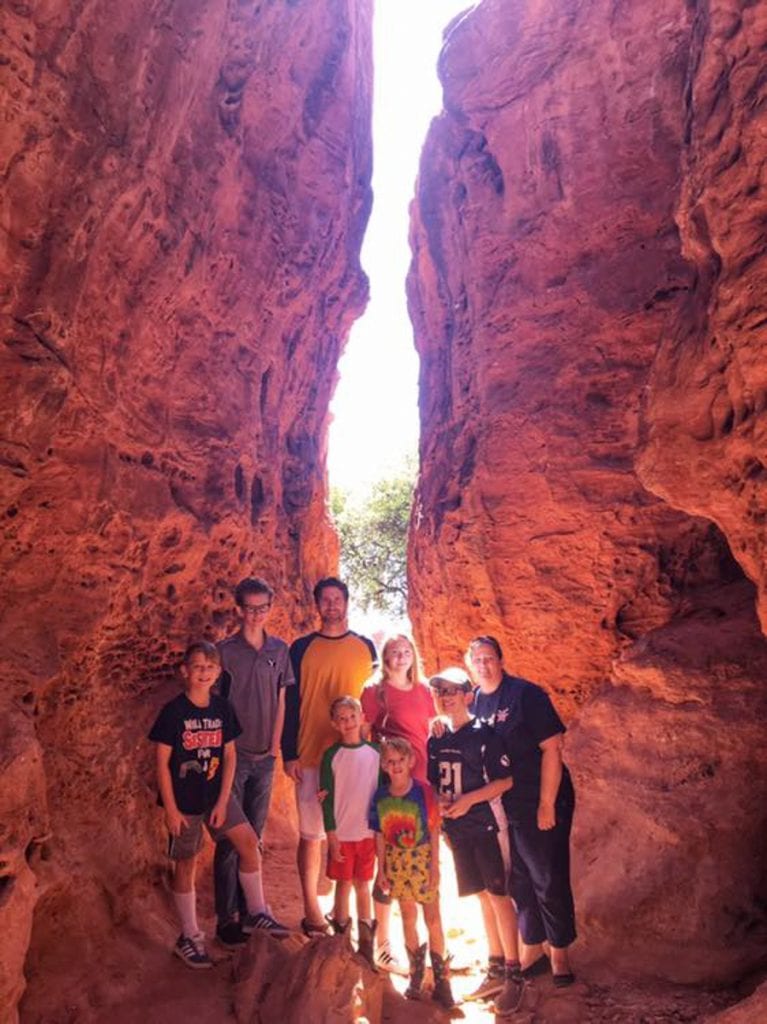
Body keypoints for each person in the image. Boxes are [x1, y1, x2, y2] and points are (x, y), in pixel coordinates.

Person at [148, 642, 288, 969]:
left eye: (210, 667)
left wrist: (225, 799)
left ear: (218, 672)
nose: (204, 672)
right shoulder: (174, 712)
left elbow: (229, 755)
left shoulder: (222, 708)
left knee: (249, 843)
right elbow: (162, 762)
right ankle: (189, 936)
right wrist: (170, 808)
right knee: (186, 864)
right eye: (197, 667)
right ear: (185, 671)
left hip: (215, 797)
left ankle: (256, 912)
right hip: (183, 803)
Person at [467, 635, 577, 986]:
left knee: (546, 874)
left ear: (500, 659)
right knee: (519, 880)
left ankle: (560, 953)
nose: (483, 664)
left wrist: (546, 804)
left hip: (539, 797)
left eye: (489, 657)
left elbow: (551, 748)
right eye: (477, 659)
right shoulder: (476, 703)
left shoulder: (525, 695)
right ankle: (534, 946)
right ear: (471, 665)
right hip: (504, 806)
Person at [281, 577, 377, 936]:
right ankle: (312, 911)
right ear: (317, 605)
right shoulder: (301, 648)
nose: (332, 605)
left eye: (338, 599)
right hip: (310, 755)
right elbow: (290, 702)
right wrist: (289, 752)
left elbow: (374, 702)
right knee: (311, 836)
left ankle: (347, 915)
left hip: (355, 760)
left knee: (354, 836)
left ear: (347, 603)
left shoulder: (366, 648)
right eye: (326, 600)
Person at [426, 667, 521, 1015]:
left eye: (453, 691)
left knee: (499, 895)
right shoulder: (436, 736)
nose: (446, 697)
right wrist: (441, 802)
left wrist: (468, 801)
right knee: (481, 894)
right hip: (458, 830)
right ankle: (495, 965)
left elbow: (505, 781)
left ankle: (514, 972)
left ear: (468, 695)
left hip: (485, 825)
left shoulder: (484, 734)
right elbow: (434, 781)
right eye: (440, 692)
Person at [213, 577, 295, 948]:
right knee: (231, 840)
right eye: (249, 608)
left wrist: (275, 747)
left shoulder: (280, 649)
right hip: (234, 756)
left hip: (265, 757)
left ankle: (252, 914)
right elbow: (215, 704)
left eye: (263, 608)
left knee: (254, 837)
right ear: (238, 609)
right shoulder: (225, 652)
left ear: (270, 609)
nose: (256, 614)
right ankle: (226, 918)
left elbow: (282, 700)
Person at [360, 633, 434, 972]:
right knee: (387, 860)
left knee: (419, 854)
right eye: (394, 652)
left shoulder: (425, 691)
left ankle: (424, 949)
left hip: (422, 783)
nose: (401, 656)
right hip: (392, 783)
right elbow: (364, 734)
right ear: (385, 657)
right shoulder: (376, 692)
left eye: (406, 651)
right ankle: (384, 944)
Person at [369, 737, 454, 1009]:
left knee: (433, 918)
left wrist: (435, 867)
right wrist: (381, 869)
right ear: (383, 765)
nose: (395, 766)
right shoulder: (381, 796)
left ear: (411, 761)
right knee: (407, 916)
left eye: (400, 761)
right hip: (396, 861)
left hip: (421, 858)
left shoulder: (423, 791)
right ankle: (416, 973)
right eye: (390, 762)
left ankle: (442, 980)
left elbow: (433, 829)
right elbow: (380, 833)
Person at [319, 696, 380, 966]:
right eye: (341, 718)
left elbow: (381, 796)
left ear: (362, 717)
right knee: (342, 884)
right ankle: (341, 940)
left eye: (352, 716)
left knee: (363, 884)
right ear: (334, 724)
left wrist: (380, 834)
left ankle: (367, 945)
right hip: (342, 834)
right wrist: (330, 835)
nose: (348, 722)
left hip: (367, 833)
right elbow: (327, 799)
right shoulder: (331, 756)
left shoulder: (376, 754)